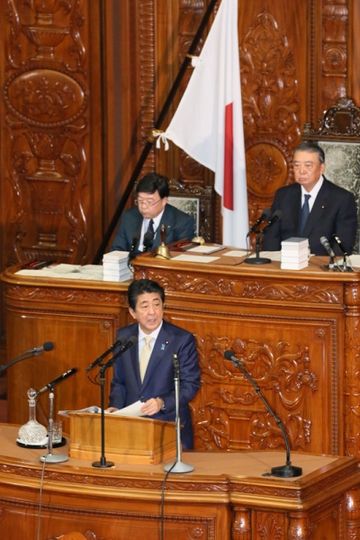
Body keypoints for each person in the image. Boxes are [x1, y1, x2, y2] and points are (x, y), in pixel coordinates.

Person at [108, 279, 200, 449]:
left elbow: (190, 385)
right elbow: (119, 381)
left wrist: (162, 402)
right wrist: (116, 407)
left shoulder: (181, 340)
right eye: (144, 306)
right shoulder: (124, 337)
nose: (152, 312)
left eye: (156, 305)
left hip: (167, 425)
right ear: (132, 312)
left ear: (163, 306)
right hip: (131, 426)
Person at [262, 141, 358, 255]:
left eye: (308, 165)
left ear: (321, 168)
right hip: (285, 266)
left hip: (321, 268)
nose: (301, 171)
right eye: (297, 165)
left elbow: (343, 246)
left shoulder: (341, 199)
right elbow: (271, 238)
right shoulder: (283, 195)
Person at [111, 172, 196, 253]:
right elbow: (117, 250)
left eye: (149, 202)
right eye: (140, 201)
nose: (143, 206)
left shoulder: (182, 222)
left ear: (164, 201)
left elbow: (181, 258)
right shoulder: (129, 217)